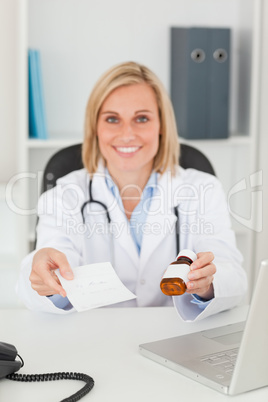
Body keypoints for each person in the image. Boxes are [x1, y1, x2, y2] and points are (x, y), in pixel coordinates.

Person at [17, 61, 247, 319]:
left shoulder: (203, 189)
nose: (127, 134)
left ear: (162, 126)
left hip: (176, 338)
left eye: (142, 118)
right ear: (95, 128)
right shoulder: (64, 195)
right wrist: (44, 278)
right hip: (93, 340)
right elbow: (40, 276)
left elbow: (233, 278)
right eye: (112, 119)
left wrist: (208, 284)